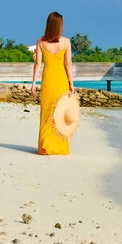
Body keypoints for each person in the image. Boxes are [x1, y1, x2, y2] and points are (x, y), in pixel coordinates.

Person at [31, 12, 75, 155]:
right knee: (59, 114)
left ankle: (44, 147)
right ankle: (59, 147)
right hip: (61, 81)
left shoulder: (40, 41)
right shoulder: (66, 42)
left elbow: (37, 64)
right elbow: (68, 64)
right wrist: (71, 84)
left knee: (46, 113)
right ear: (60, 26)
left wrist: (33, 84)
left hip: (47, 81)